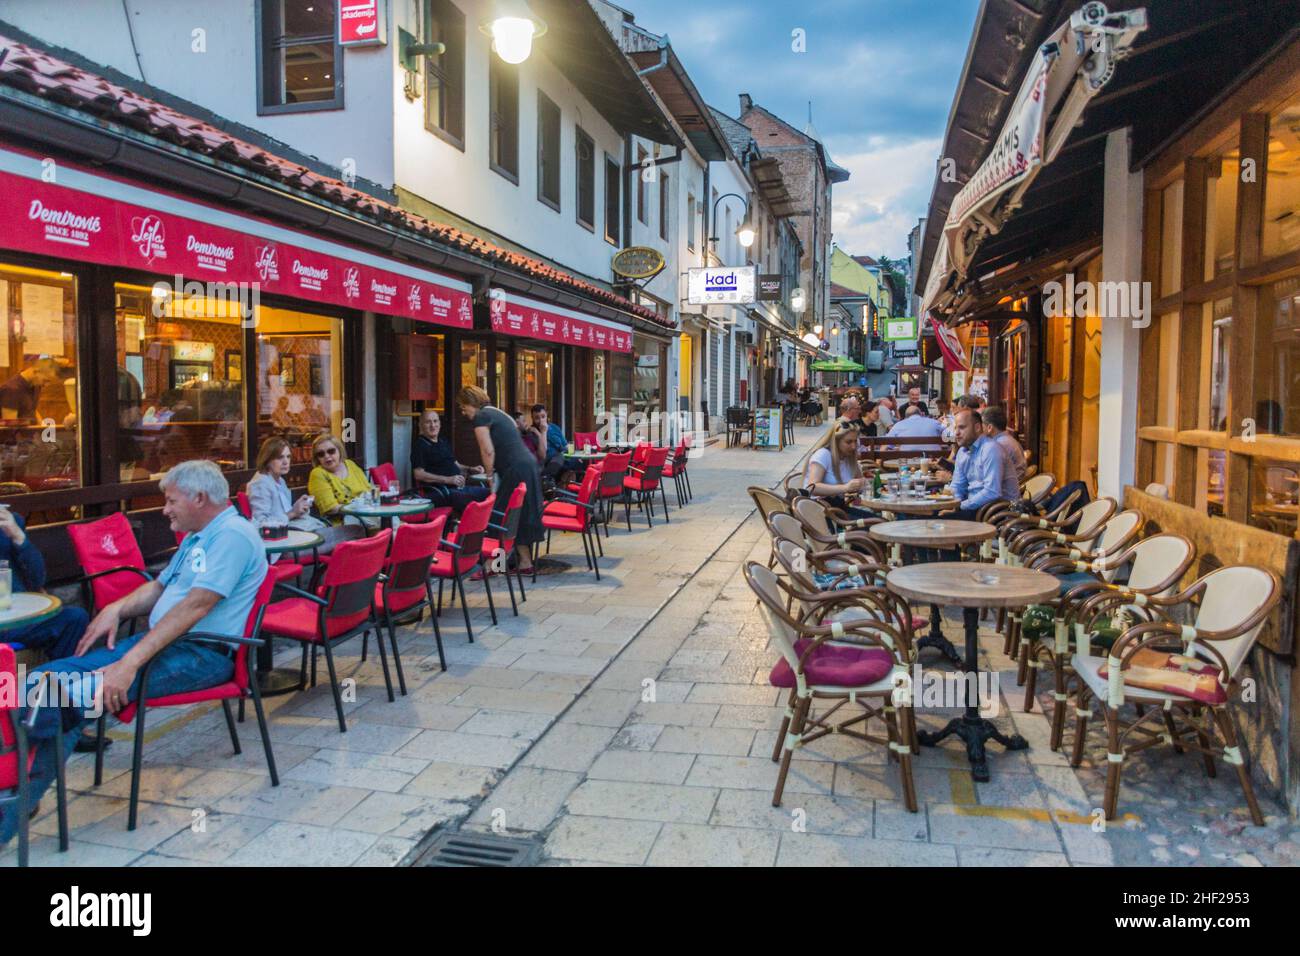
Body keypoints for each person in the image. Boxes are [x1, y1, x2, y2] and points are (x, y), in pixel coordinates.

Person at [0, 461, 267, 848]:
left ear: (199, 498)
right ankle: (19, 789)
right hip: (162, 645)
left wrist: (128, 663)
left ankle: (11, 800)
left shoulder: (232, 537)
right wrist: (117, 609)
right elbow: (159, 588)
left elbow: (195, 607)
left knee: (57, 698)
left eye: (171, 500)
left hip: (200, 655)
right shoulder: (200, 534)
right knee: (49, 680)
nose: (164, 509)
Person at [457, 386, 544, 573]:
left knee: (499, 516)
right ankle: (525, 563)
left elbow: (487, 450)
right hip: (527, 464)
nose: (464, 413)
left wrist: (489, 476)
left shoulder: (481, 417)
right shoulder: (499, 413)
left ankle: (493, 566)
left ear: (471, 402)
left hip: (515, 469)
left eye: (464, 407)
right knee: (514, 515)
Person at [247, 437, 358, 554]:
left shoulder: (279, 480)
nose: (285, 462)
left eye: (288, 457)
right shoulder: (260, 483)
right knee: (356, 532)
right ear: (267, 459)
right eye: (280, 457)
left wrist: (299, 508)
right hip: (283, 547)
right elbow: (261, 525)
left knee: (352, 535)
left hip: (295, 535)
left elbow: (283, 513)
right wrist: (292, 513)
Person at [410, 408, 490, 514]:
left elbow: (455, 465)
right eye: (428, 422)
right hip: (438, 492)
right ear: (420, 425)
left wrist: (471, 469)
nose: (433, 425)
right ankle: (468, 528)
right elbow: (418, 474)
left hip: (455, 489)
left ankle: (481, 527)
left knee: (489, 493)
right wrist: (448, 480)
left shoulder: (443, 441)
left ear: (440, 423)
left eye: (435, 421)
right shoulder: (420, 445)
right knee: (468, 499)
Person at [947, 408, 1017, 518]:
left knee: (933, 520)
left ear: (977, 427)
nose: (956, 433)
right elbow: (957, 485)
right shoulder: (962, 451)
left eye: (962, 427)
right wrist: (954, 505)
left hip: (996, 513)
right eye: (955, 428)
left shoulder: (991, 449)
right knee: (927, 515)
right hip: (974, 508)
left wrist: (961, 506)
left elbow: (992, 492)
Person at [804, 420, 870, 518]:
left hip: (839, 508)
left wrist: (862, 484)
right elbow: (812, 487)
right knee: (875, 525)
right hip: (820, 513)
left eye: (855, 441)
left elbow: (861, 483)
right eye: (849, 442)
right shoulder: (823, 454)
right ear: (836, 441)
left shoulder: (849, 457)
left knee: (880, 521)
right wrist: (845, 488)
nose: (853, 446)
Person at [307, 434, 375, 529]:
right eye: (321, 454)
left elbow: (369, 492)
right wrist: (357, 507)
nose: (327, 456)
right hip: (342, 524)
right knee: (388, 528)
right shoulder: (318, 474)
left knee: (392, 523)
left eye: (331, 451)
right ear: (317, 458)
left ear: (339, 450)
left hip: (367, 514)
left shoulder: (350, 465)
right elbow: (330, 508)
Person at [982, 405, 1026, 484]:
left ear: (989, 427)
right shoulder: (1007, 439)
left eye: (982, 425)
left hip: (1006, 492)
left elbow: (990, 479)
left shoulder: (999, 445)